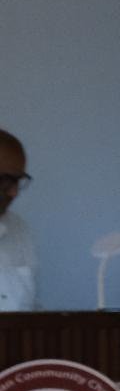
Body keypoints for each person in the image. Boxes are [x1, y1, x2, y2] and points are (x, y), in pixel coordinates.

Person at [0, 130, 37, 312]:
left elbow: (30, 311)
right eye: (6, 180)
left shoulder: (19, 229)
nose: (14, 192)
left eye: (19, 180)